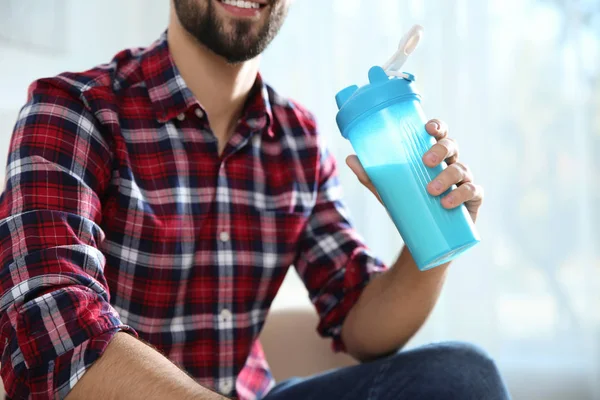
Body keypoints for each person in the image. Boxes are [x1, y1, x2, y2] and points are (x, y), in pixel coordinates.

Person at [0, 0, 510, 399]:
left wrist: (432, 237)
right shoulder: (73, 109)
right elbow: (55, 330)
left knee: (464, 377)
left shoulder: (299, 141)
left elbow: (360, 323)